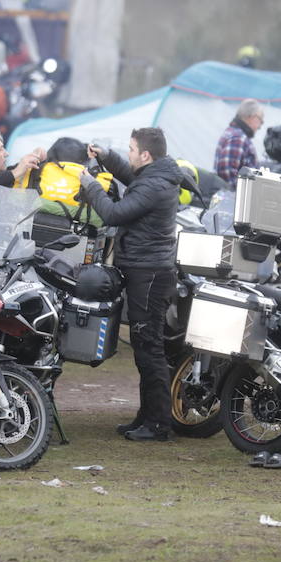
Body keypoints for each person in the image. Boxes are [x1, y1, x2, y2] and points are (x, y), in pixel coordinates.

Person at [77, 128, 181, 442]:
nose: (130, 154)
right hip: (145, 272)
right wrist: (107, 157)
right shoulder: (154, 174)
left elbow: (112, 213)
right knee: (143, 347)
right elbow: (130, 174)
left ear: (146, 155)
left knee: (149, 349)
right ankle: (146, 416)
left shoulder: (154, 185)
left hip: (149, 276)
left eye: (132, 149)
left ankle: (160, 423)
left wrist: (91, 185)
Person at [214, 99, 263, 182]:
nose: (260, 126)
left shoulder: (232, 133)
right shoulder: (238, 138)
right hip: (234, 194)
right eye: (260, 121)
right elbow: (227, 175)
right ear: (252, 116)